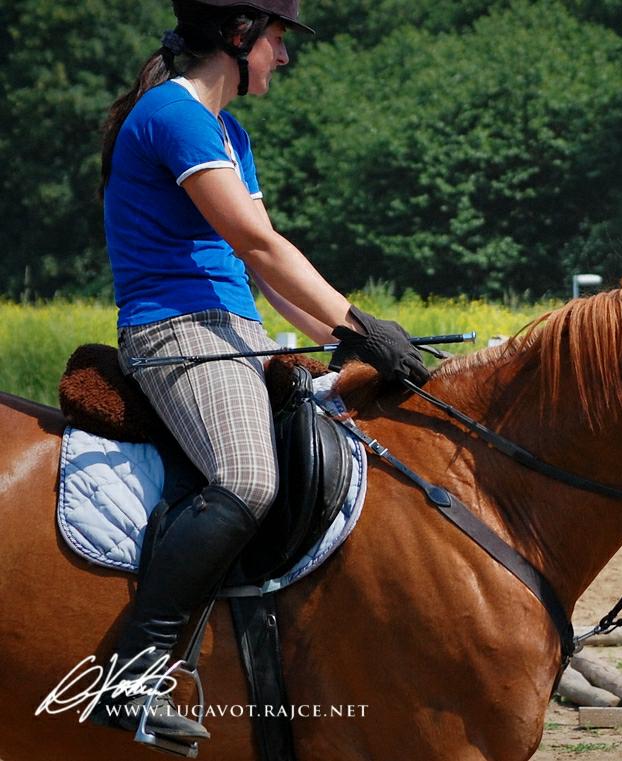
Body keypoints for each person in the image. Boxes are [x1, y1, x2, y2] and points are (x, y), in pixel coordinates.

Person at [91, 0, 428, 741]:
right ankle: (129, 673)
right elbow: (259, 242)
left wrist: (356, 343)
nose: (284, 54)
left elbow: (262, 265)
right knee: (247, 477)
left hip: (235, 329)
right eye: (277, 37)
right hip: (176, 331)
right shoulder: (173, 116)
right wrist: (357, 321)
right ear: (239, 35)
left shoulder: (228, 132)